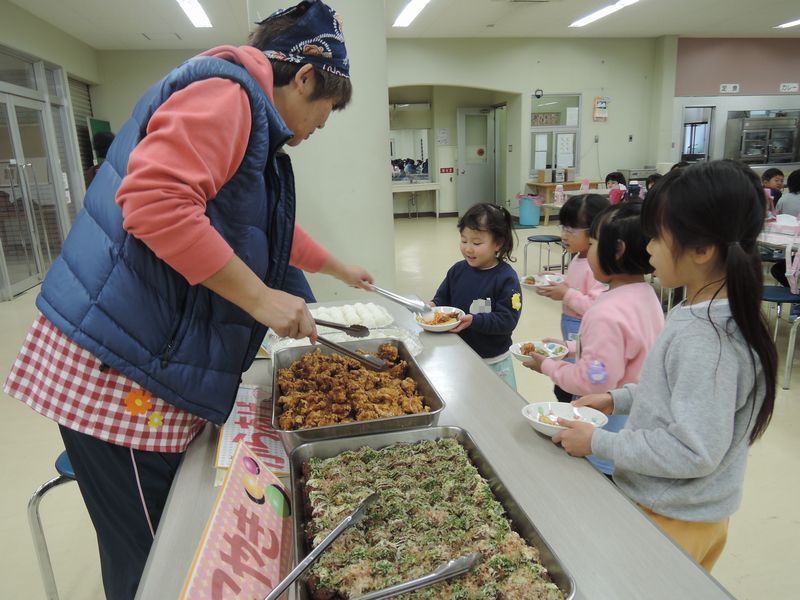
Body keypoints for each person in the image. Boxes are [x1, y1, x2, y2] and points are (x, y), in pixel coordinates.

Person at [3, 2, 374, 598]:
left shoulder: (250, 120)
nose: (311, 133)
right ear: (304, 76)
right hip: (117, 371)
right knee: (154, 556)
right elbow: (154, 205)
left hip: (139, 354)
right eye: (320, 117)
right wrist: (260, 300)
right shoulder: (228, 97)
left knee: (166, 534)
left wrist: (337, 267)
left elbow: (263, 229)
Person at [554, 160, 777, 572]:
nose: (649, 248)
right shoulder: (701, 310)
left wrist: (599, 443)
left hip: (673, 516)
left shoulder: (707, 336)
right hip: (687, 510)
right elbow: (677, 393)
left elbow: (693, 451)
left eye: (656, 237)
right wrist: (616, 397)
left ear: (701, 249)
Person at [523, 202, 663, 400]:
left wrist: (548, 366)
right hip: (634, 407)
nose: (588, 252)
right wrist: (569, 348)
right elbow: (620, 350)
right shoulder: (646, 294)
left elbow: (592, 382)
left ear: (617, 250)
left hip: (604, 417)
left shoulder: (606, 313)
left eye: (592, 244)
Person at [430, 203, 522, 389]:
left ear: (498, 243)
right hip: (459, 355)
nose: (468, 249)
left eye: (477, 243)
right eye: (464, 241)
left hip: (493, 361)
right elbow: (442, 300)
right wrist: (432, 305)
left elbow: (507, 320)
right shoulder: (457, 271)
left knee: (497, 407)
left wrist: (475, 320)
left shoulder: (506, 279)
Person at [536, 193, 609, 402]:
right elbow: (576, 284)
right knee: (568, 373)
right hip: (570, 328)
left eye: (571, 230)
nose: (564, 235)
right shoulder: (579, 256)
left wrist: (566, 293)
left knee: (577, 375)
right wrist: (556, 279)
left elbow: (595, 304)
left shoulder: (598, 266)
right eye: (563, 228)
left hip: (582, 327)